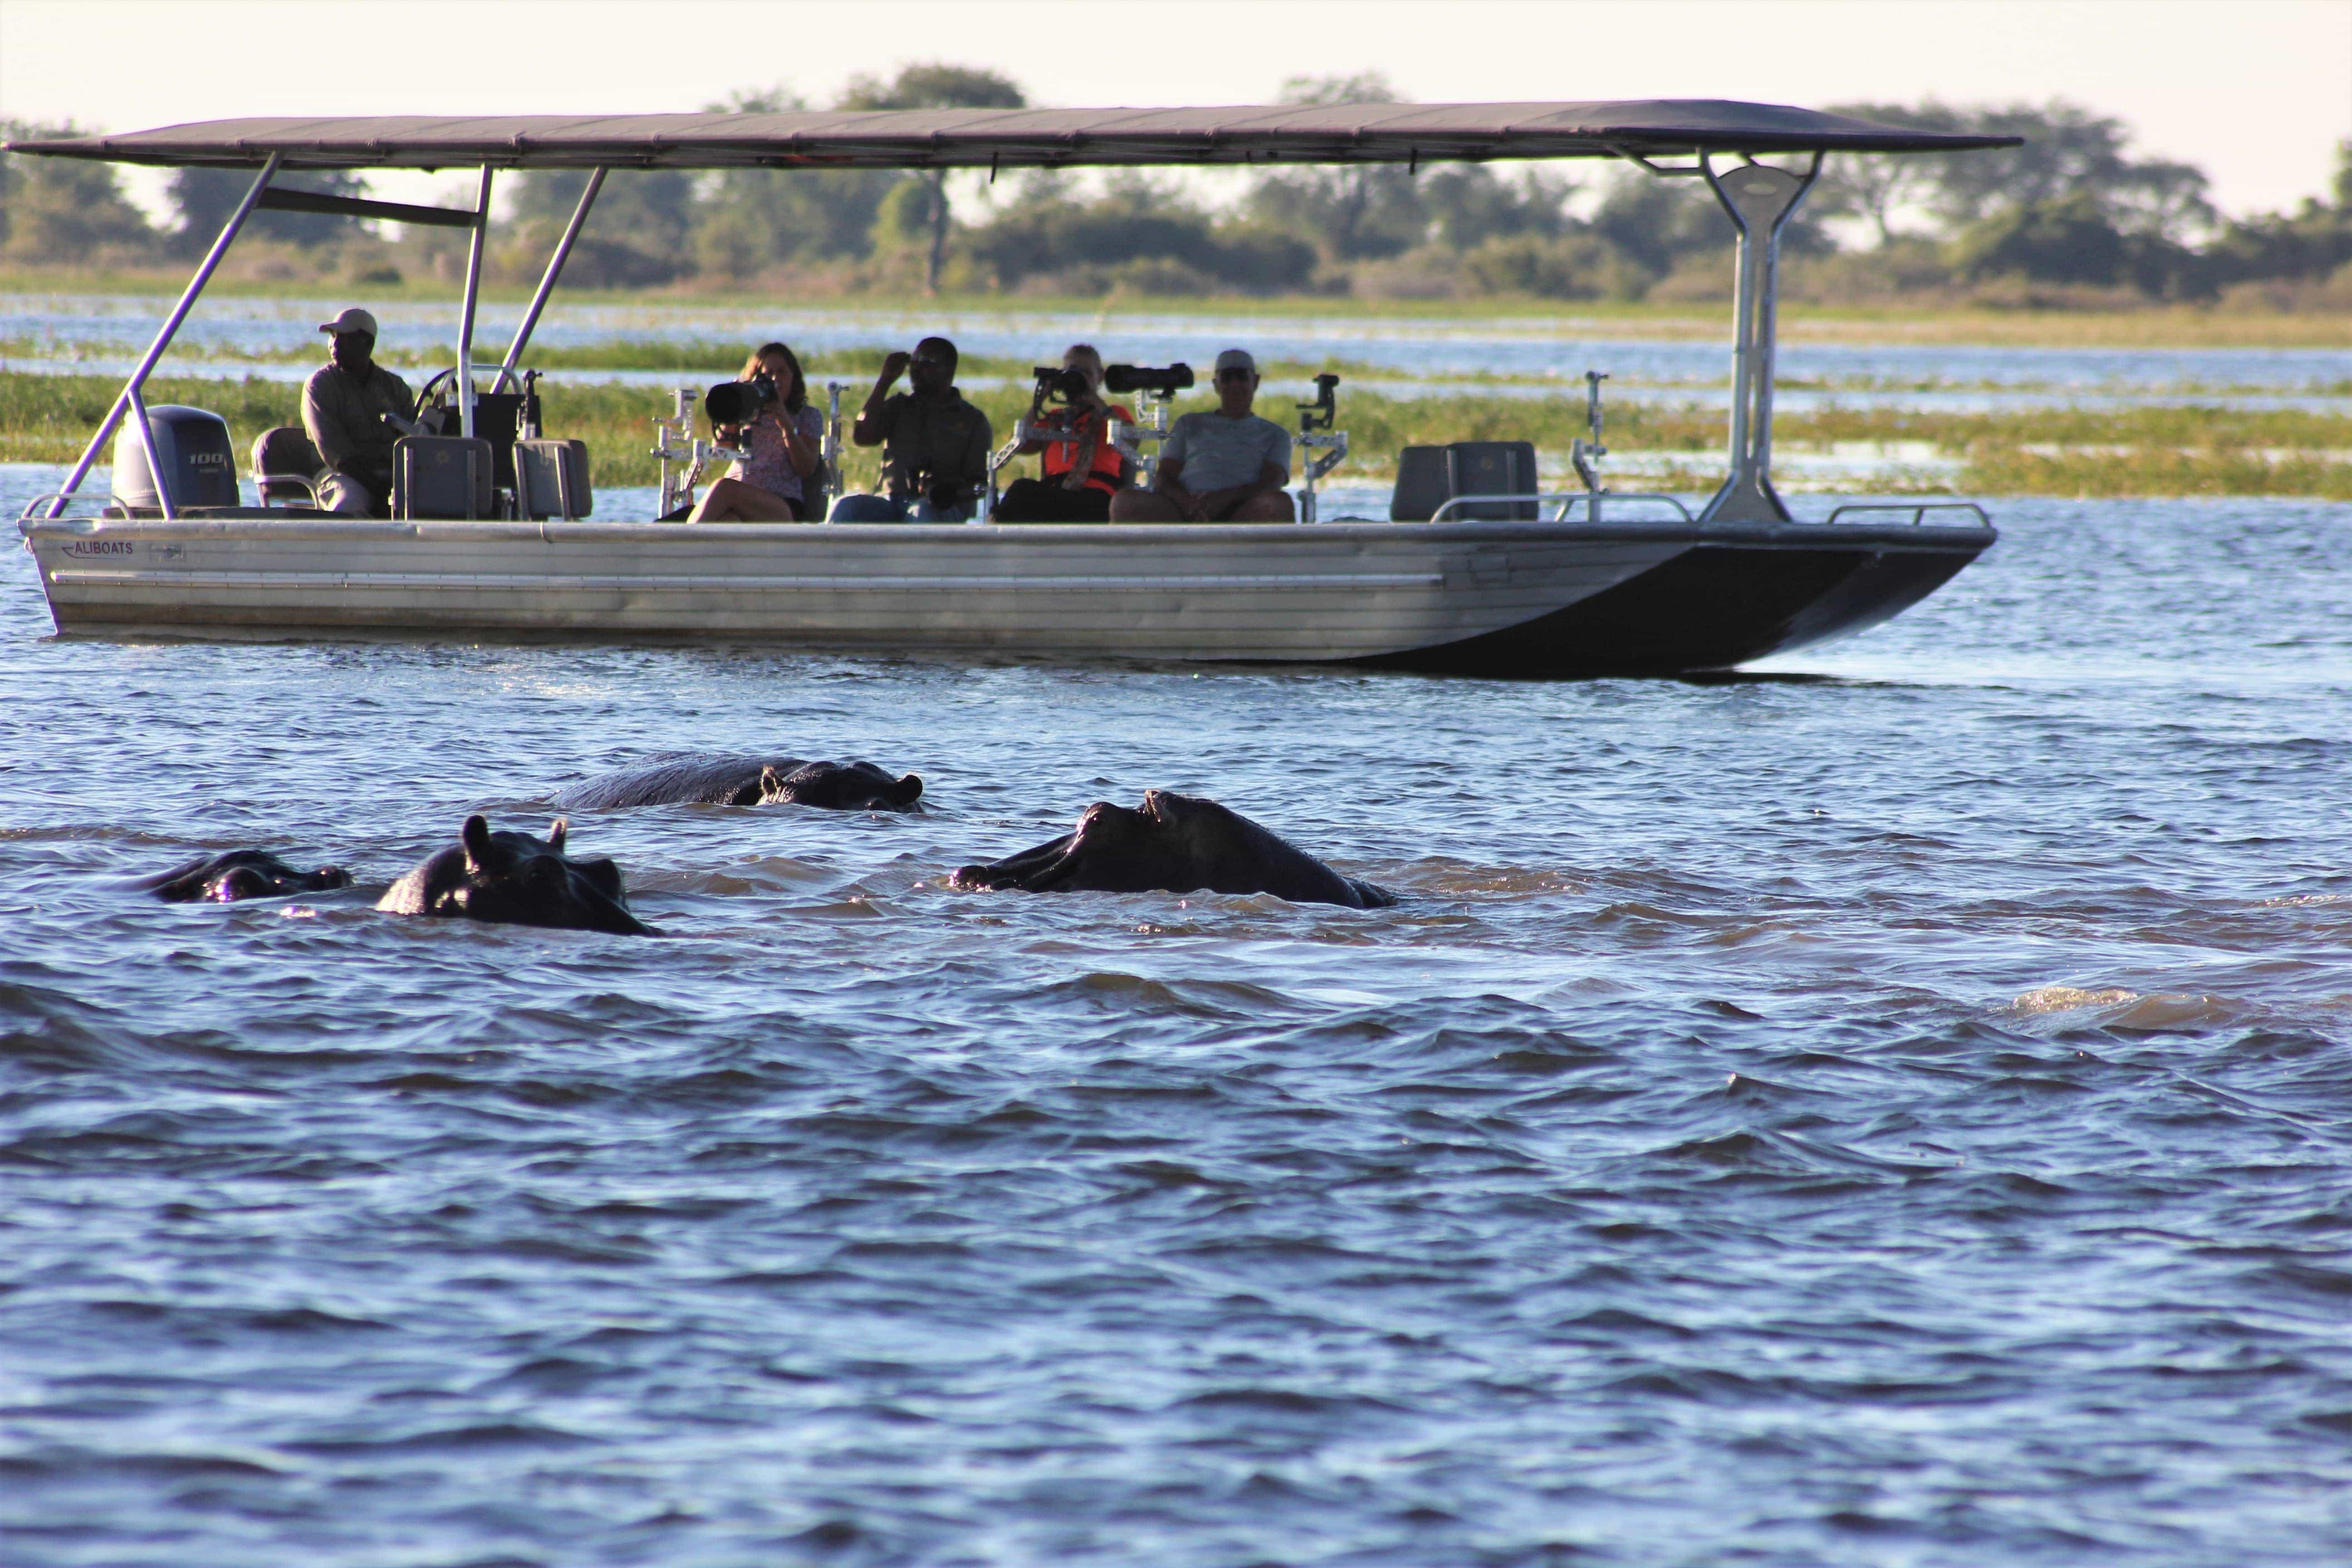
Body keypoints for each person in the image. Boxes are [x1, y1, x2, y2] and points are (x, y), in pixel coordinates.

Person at [1108, 348, 1292, 523]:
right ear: (1216, 385)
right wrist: (1188, 503)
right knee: (1124, 502)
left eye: (1242, 377)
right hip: (1185, 509)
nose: (1235, 384)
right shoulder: (1188, 424)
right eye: (1227, 378)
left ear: (1256, 382)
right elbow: (1164, 477)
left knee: (1278, 504)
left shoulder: (1276, 435)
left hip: (1243, 510)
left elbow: (1270, 483)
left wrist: (1225, 499)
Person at [829, 336, 994, 523]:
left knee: (921, 511)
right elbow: (863, 437)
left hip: (939, 507)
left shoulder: (972, 420)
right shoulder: (898, 407)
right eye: (913, 362)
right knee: (846, 507)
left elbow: (978, 484)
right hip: (890, 502)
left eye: (926, 363)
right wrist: (885, 381)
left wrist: (943, 489)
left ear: (949, 370)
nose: (916, 369)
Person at [995, 343, 1132, 523]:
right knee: (1021, 489)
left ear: (1100, 377)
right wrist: (1041, 397)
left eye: (1087, 373)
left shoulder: (1113, 412)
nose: (1079, 378)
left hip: (1095, 496)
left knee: (1092, 504)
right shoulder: (1053, 418)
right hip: (1054, 493)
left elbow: (1130, 440)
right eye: (1073, 372)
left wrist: (1094, 399)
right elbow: (1021, 443)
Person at [301, 307, 417, 516]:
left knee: (438, 498)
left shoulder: (395, 387)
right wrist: (380, 489)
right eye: (333, 336)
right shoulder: (320, 386)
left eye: (345, 338)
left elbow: (413, 443)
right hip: (339, 475)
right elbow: (336, 455)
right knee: (350, 503)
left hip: (392, 475)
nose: (334, 344)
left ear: (368, 344)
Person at [689, 343, 823, 522]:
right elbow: (722, 448)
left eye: (782, 372)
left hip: (782, 504)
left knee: (724, 487)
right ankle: (691, 547)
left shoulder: (806, 416)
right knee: (729, 521)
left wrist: (784, 422)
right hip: (737, 496)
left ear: (794, 377)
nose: (775, 380)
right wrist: (735, 406)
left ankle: (682, 540)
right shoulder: (748, 414)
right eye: (768, 374)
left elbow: (806, 468)